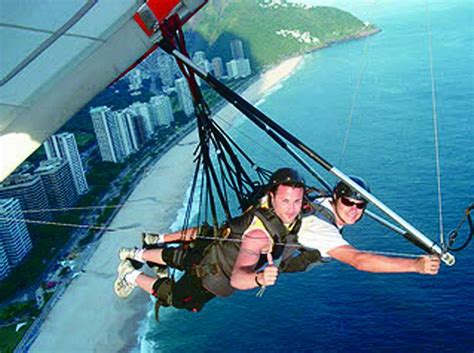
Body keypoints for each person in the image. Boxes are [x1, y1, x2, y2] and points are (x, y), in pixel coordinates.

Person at [114, 168, 306, 313]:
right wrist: (260, 278)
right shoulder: (259, 234)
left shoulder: (271, 206)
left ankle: (134, 253)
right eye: (285, 201)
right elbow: (238, 278)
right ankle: (129, 274)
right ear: (272, 197)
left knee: (181, 257)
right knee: (180, 299)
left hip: (215, 248)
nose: (291, 209)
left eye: (297, 201)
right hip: (214, 270)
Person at [298, 176, 441, 274]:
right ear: (335, 197)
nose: (353, 210)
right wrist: (414, 265)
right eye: (348, 202)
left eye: (360, 205)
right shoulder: (319, 227)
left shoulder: (322, 201)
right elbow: (359, 260)